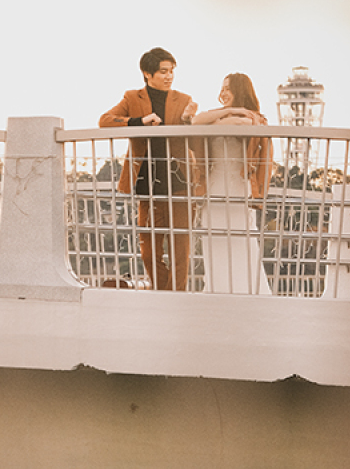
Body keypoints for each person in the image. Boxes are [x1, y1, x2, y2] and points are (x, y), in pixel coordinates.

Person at [99, 48, 198, 291]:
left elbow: (194, 143)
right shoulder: (133, 98)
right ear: (147, 73)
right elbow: (105, 121)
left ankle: (176, 295)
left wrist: (189, 122)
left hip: (179, 183)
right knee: (149, 250)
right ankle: (165, 292)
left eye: (172, 71)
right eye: (163, 71)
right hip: (147, 184)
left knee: (180, 249)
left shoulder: (184, 100)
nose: (169, 76)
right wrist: (139, 122)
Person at [191, 73, 272, 295]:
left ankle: (244, 290)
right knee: (213, 236)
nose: (224, 92)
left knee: (240, 239)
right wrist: (228, 111)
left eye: (229, 88)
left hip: (238, 186)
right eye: (222, 88)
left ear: (241, 90)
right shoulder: (221, 116)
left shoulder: (253, 119)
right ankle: (217, 288)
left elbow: (240, 124)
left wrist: (222, 118)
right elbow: (195, 121)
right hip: (214, 185)